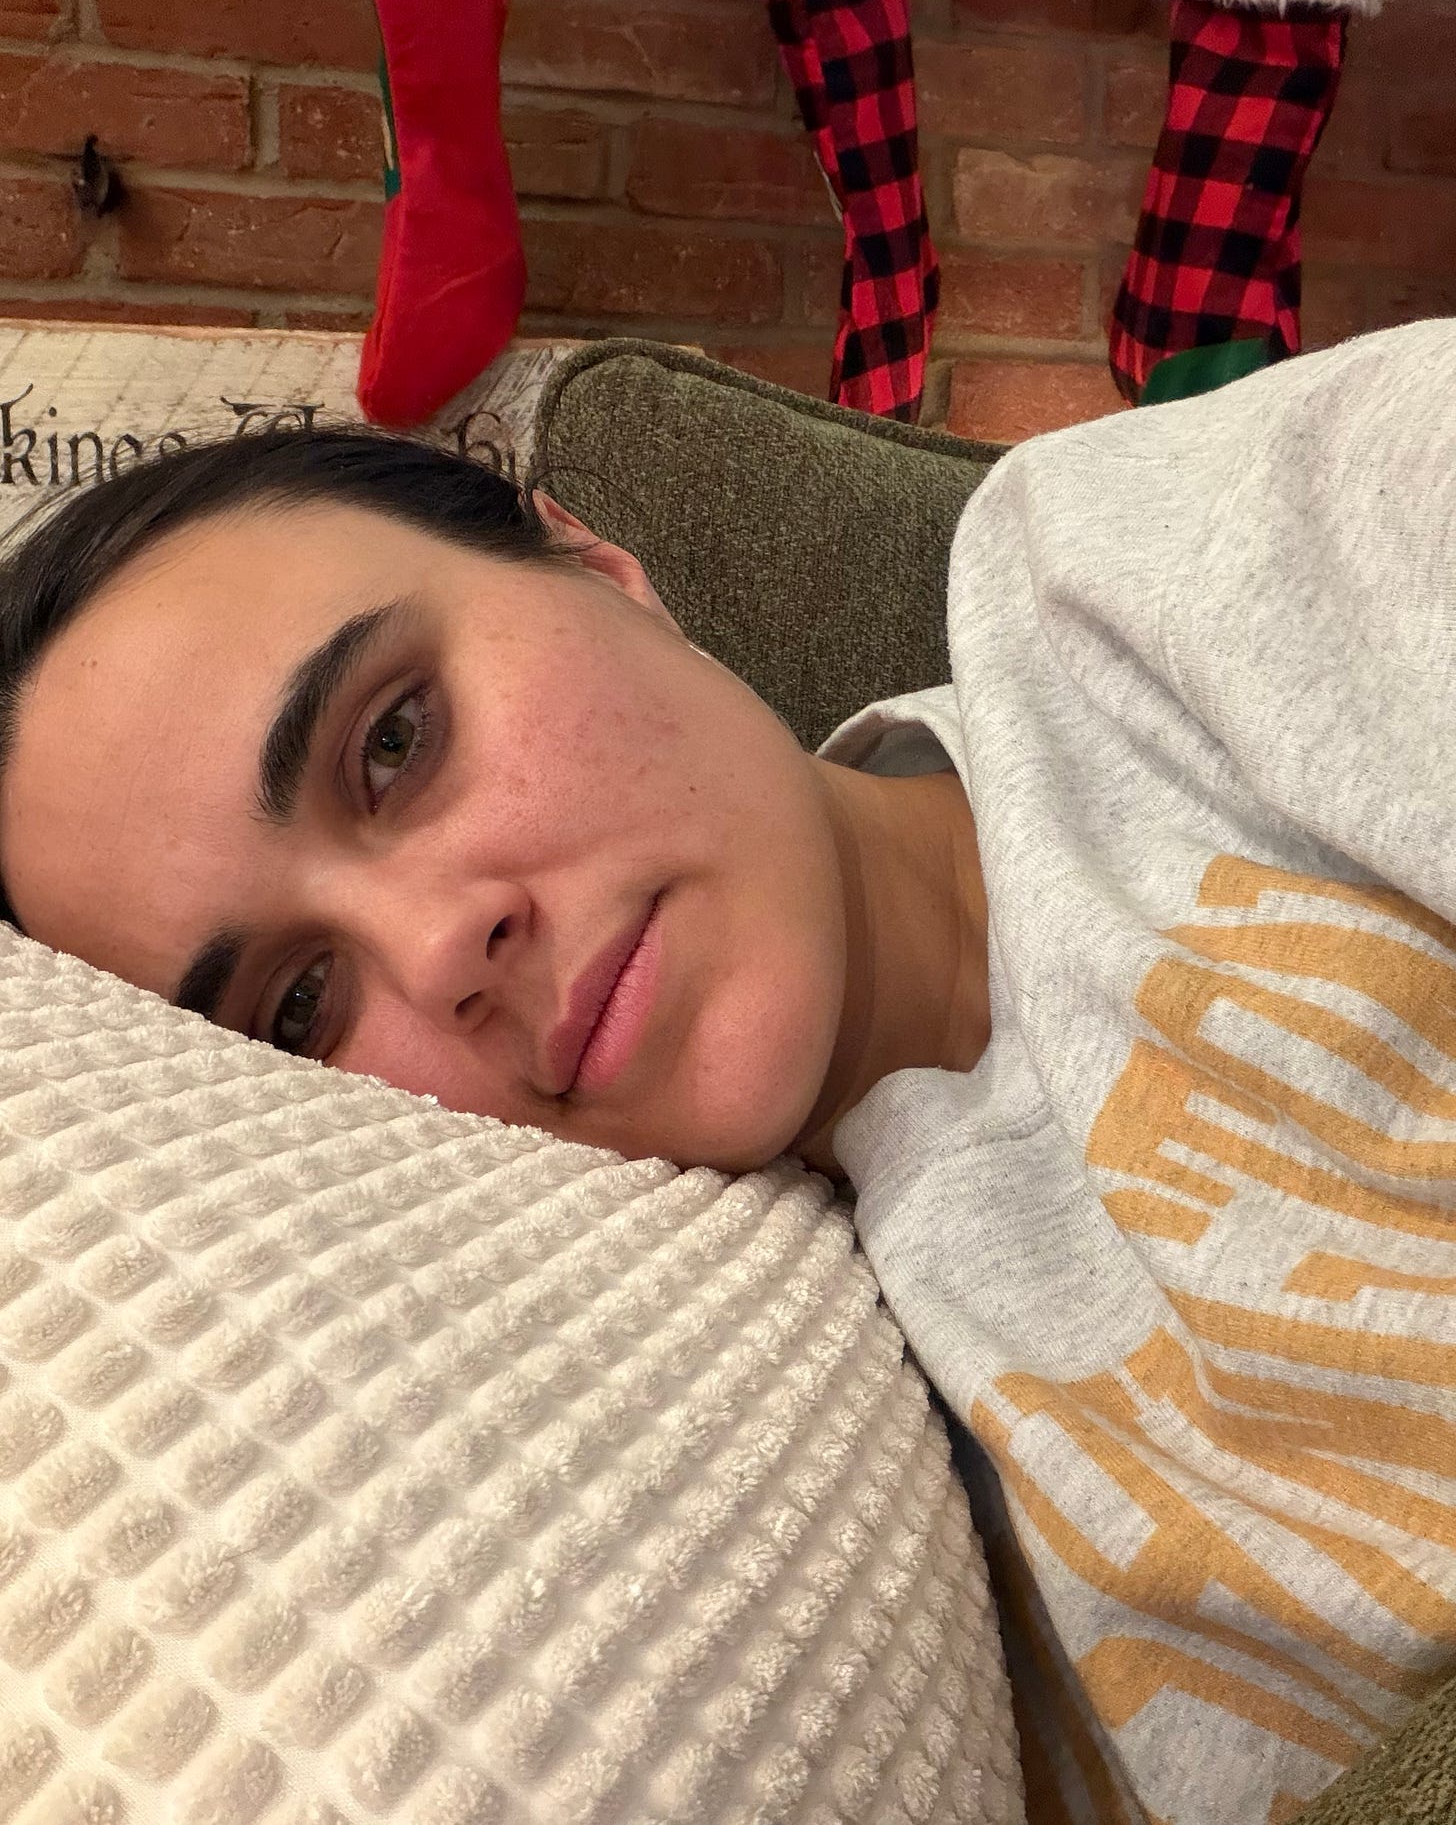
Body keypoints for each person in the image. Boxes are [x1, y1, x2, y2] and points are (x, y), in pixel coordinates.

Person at [1, 317, 1454, 1825]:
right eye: (300, 1005)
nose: (440, 946)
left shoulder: (1155, 584)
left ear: (598, 569)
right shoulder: (735, 1452)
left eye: (395, 738)